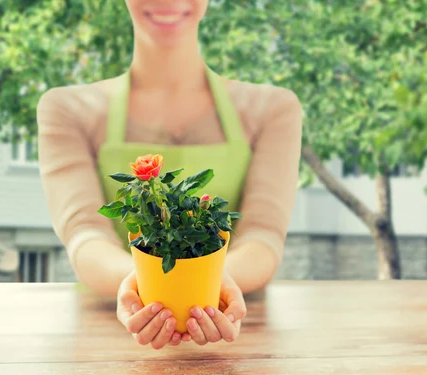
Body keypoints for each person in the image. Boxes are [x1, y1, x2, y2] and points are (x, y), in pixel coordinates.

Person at [36, 0, 302, 349]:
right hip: (108, 335)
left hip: (238, 333)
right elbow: (85, 235)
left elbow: (263, 236)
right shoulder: (67, 109)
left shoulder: (273, 109)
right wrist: (148, 288)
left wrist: (208, 286)